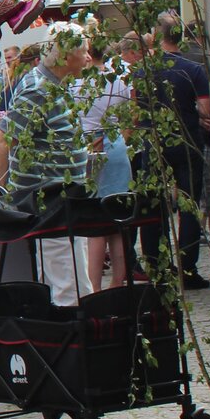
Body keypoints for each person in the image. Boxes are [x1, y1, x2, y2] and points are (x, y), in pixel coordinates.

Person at [0, 22, 92, 306]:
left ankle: (68, 346)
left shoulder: (52, 86)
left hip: (64, 208)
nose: (88, 57)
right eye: (83, 51)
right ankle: (66, 347)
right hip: (51, 208)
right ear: (64, 57)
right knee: (69, 294)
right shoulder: (40, 90)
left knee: (74, 289)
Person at [155, 11, 210, 289]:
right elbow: (205, 110)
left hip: (153, 141)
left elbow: (133, 110)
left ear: (158, 36)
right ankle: (188, 269)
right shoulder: (193, 69)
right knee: (189, 205)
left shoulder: (144, 69)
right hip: (187, 140)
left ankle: (159, 268)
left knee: (154, 205)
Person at [80, 33, 138, 291]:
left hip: (88, 145)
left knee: (94, 224)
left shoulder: (78, 82)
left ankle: (94, 287)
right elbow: (132, 115)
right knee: (118, 221)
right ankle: (117, 282)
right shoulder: (120, 78)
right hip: (116, 145)